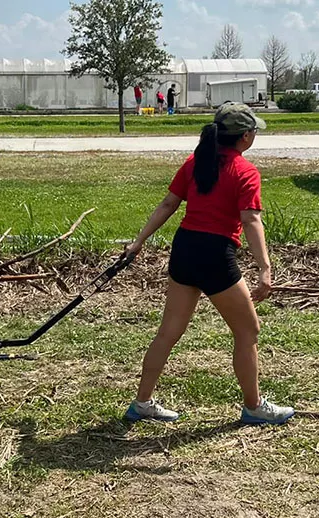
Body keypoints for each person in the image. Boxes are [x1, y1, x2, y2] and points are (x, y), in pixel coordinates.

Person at [122, 102, 294, 426]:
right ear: (245, 136)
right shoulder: (245, 171)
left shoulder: (195, 162)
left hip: (185, 248)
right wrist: (265, 269)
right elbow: (252, 220)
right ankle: (254, 407)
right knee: (248, 331)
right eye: (254, 130)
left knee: (168, 333)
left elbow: (168, 204)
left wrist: (139, 241)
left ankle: (142, 402)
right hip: (214, 255)